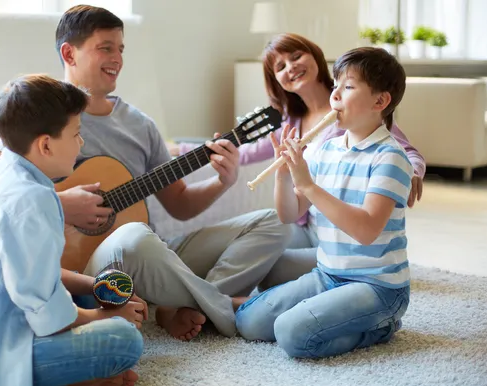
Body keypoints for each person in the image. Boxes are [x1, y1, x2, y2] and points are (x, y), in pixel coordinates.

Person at [0, 6, 292, 341]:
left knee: (274, 222)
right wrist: (59, 204)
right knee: (134, 237)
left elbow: (180, 206)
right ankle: (224, 307)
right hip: (84, 268)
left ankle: (178, 304)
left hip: (152, 253)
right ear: (69, 53)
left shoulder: (140, 125)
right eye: (105, 48)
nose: (117, 58)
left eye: (121, 49)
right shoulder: (46, 116)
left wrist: (223, 181)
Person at [170, 33, 425, 291]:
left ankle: (207, 300)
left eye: (295, 56)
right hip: (306, 226)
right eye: (280, 67)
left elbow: (405, 152)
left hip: (344, 237)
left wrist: (411, 173)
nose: (290, 67)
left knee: (270, 266)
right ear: (277, 81)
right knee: (256, 234)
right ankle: (198, 290)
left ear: (314, 55)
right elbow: (244, 152)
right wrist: (177, 148)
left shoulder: (355, 111)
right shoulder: (291, 124)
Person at [0, 74, 145, 386]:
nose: (81, 144)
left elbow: (28, 275)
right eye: (76, 134)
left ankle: (74, 372)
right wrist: (106, 317)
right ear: (46, 144)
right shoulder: (29, 200)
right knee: (124, 340)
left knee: (89, 295)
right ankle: (65, 376)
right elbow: (46, 316)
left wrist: (93, 285)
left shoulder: (1, 174)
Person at [235, 46, 413, 359]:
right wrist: (284, 174)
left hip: (378, 287)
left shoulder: (392, 158)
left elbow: (366, 230)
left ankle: (381, 327)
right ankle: (329, 313)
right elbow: (290, 214)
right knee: (248, 323)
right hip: (328, 275)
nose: (335, 95)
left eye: (348, 87)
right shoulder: (325, 150)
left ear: (380, 101)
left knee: (292, 334)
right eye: (335, 86)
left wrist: (307, 184)